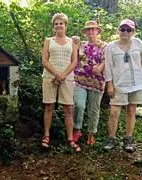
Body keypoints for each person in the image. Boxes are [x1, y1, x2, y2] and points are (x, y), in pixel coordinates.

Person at [41, 13, 80, 152]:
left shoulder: (72, 42)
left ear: (65, 25)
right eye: (56, 23)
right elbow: (44, 60)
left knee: (68, 109)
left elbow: (74, 61)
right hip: (50, 77)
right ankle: (46, 135)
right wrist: (57, 74)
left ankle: (70, 138)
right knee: (49, 106)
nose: (58, 26)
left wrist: (63, 75)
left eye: (61, 23)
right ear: (53, 26)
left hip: (67, 78)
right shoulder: (48, 41)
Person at [104, 19, 142, 152]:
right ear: (118, 30)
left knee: (131, 111)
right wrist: (109, 85)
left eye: (128, 29)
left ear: (133, 32)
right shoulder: (111, 46)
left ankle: (128, 139)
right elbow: (108, 67)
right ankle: (111, 139)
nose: (125, 32)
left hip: (136, 83)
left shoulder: (139, 43)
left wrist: (140, 72)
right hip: (118, 84)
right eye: (122, 29)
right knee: (114, 112)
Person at [72, 21, 107, 145]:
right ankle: (77, 129)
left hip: (96, 82)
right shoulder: (80, 45)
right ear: (85, 32)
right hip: (79, 80)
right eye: (88, 29)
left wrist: (101, 67)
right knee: (78, 105)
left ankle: (91, 133)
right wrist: (74, 41)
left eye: (93, 29)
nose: (91, 32)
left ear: (98, 31)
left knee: (93, 109)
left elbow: (105, 60)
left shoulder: (104, 46)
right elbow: (71, 53)